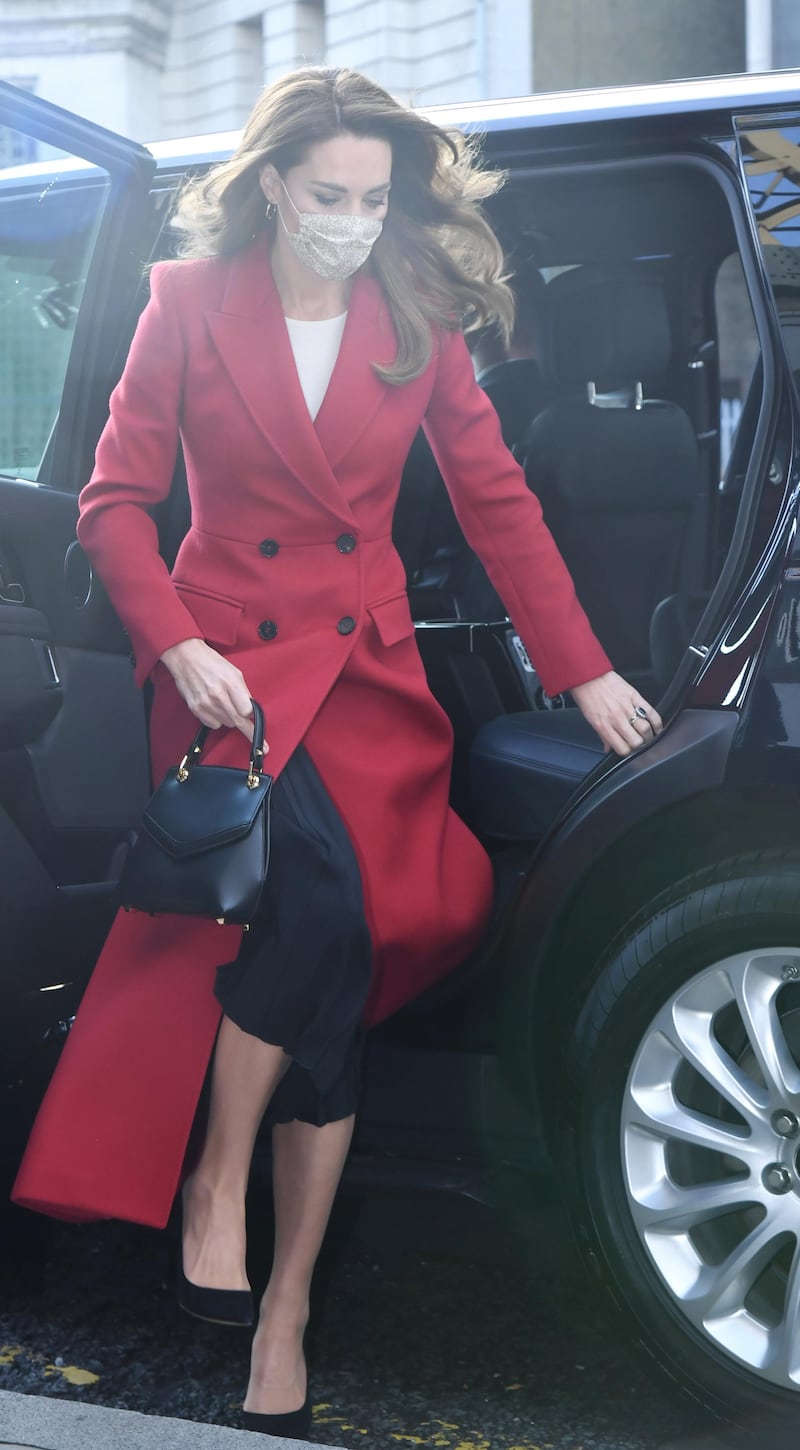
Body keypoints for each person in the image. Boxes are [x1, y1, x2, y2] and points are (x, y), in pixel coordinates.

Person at [11, 66, 663, 1437]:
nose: (354, 223)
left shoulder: (414, 323)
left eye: (375, 200)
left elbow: (497, 501)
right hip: (227, 678)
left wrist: (585, 666)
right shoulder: (185, 306)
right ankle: (222, 1200)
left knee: (338, 947)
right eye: (329, 198)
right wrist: (178, 645)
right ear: (270, 186)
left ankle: (281, 1286)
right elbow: (116, 507)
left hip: (365, 676)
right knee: (318, 902)